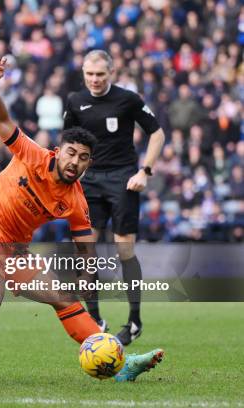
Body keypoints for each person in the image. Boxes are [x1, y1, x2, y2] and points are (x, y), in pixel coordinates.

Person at [0, 58, 164, 386]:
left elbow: (85, 244)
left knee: (63, 297)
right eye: (71, 153)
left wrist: (87, 275)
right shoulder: (32, 154)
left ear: (89, 163)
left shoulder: (75, 199)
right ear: (59, 151)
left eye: (83, 158)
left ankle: (120, 366)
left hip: (14, 251)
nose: (75, 162)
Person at [63, 50, 166, 345]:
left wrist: (145, 171)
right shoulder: (75, 101)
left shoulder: (128, 99)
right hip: (89, 182)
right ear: (83, 73)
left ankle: (134, 320)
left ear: (111, 73)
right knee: (86, 251)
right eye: (90, 75)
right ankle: (95, 319)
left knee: (124, 251)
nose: (95, 80)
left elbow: (157, 134)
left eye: (100, 75)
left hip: (123, 180)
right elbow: (68, 142)